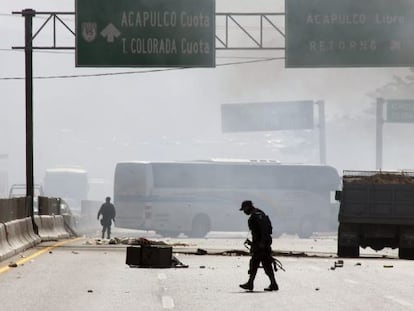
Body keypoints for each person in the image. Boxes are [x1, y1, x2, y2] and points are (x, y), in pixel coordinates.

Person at [239, 200, 279, 291]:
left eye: (244, 209)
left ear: (248, 207)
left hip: (261, 245)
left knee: (255, 262)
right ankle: (273, 284)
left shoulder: (257, 215)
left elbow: (264, 230)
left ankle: (250, 283)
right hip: (260, 244)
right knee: (265, 264)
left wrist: (262, 243)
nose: (244, 212)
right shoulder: (259, 213)